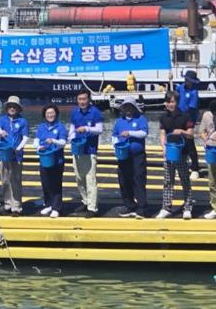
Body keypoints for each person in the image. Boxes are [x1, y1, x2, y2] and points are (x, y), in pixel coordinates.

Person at [156, 91, 194, 219]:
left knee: (185, 180)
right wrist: (163, 148)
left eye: (172, 102)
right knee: (168, 180)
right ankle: (166, 207)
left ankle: (188, 207)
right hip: (169, 152)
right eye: (168, 102)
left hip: (182, 152)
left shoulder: (185, 116)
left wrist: (182, 131)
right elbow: (162, 133)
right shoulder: (163, 117)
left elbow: (191, 134)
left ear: (177, 102)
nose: (170, 104)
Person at [69, 89, 104, 218]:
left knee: (90, 179)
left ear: (89, 99)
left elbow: (100, 129)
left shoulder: (95, 112)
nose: (82, 102)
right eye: (80, 99)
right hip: (77, 149)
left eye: (84, 99)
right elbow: (72, 129)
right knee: (79, 178)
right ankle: (85, 201)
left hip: (90, 150)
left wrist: (87, 128)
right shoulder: (75, 112)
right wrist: (70, 138)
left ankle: (92, 207)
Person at [111, 97, 148, 218]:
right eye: (125, 107)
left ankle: (142, 207)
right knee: (124, 180)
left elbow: (144, 133)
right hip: (123, 155)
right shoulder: (119, 121)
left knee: (139, 179)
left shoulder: (141, 119)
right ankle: (130, 205)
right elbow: (114, 136)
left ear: (134, 108)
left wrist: (130, 133)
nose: (128, 109)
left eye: (130, 106)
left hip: (138, 155)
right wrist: (115, 147)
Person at [0, 96, 29, 216]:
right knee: (5, 180)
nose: (12, 108)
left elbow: (25, 137)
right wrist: (1, 132)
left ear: (18, 108)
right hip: (5, 153)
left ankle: (17, 206)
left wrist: (19, 148)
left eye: (14, 106)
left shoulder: (22, 121)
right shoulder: (2, 119)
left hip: (16, 155)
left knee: (15, 180)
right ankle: (7, 203)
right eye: (10, 106)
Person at [34, 104, 67, 218]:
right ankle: (48, 204)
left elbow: (63, 143)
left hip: (57, 160)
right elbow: (36, 141)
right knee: (45, 183)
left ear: (56, 114)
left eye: (52, 113)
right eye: (48, 113)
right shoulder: (41, 127)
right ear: (44, 115)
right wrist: (38, 147)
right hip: (44, 159)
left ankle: (57, 207)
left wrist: (53, 140)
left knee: (56, 184)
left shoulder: (60, 127)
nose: (50, 115)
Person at [176, 70, 201, 180]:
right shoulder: (180, 88)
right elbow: (175, 97)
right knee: (179, 142)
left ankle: (195, 168)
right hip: (178, 118)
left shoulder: (194, 92)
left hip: (188, 119)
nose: (187, 81)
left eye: (189, 80)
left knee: (189, 143)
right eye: (186, 79)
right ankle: (182, 165)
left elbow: (191, 109)